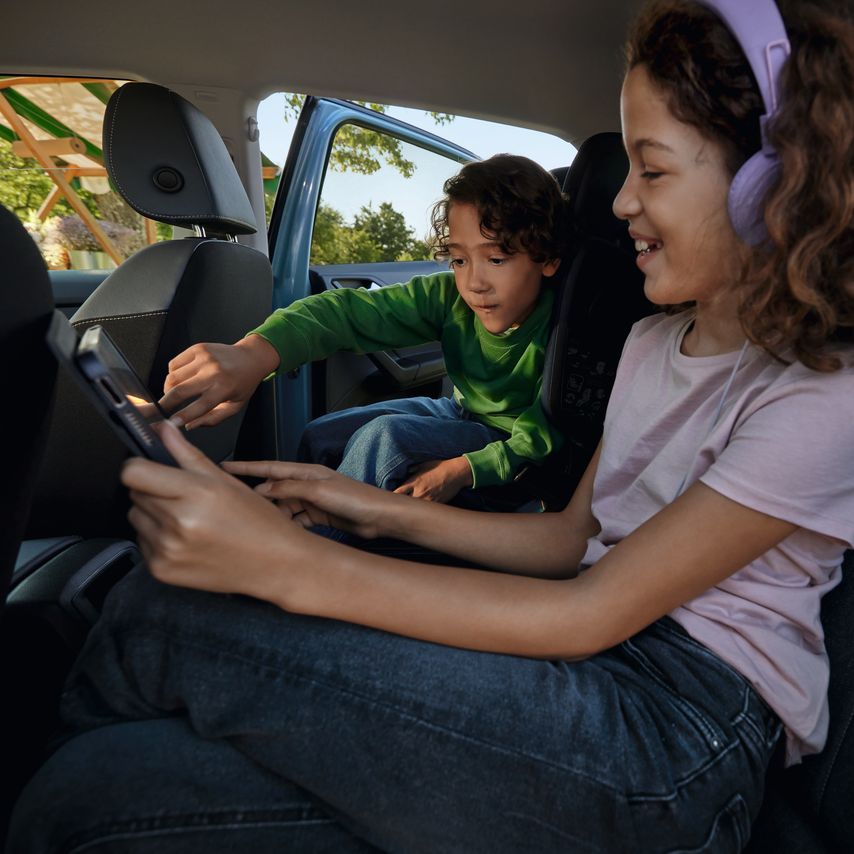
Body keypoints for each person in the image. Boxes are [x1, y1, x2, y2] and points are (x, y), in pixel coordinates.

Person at [9, 0, 854, 851]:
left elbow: (590, 610)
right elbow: (570, 542)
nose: (623, 202)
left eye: (655, 171)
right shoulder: (647, 342)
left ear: (770, 184)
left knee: (160, 618)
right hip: (595, 660)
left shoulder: (822, 396)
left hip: (679, 743)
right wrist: (366, 508)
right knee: (86, 794)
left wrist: (289, 564)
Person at [158, 154, 567, 505]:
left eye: (496, 259)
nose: (474, 282)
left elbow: (544, 435)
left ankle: (320, 545)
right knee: (324, 434)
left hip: (517, 455)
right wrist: (255, 352)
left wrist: (461, 469)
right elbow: (346, 312)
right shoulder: (450, 298)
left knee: (385, 438)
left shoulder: (563, 328)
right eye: (460, 260)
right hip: (464, 413)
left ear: (546, 258)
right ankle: (290, 511)